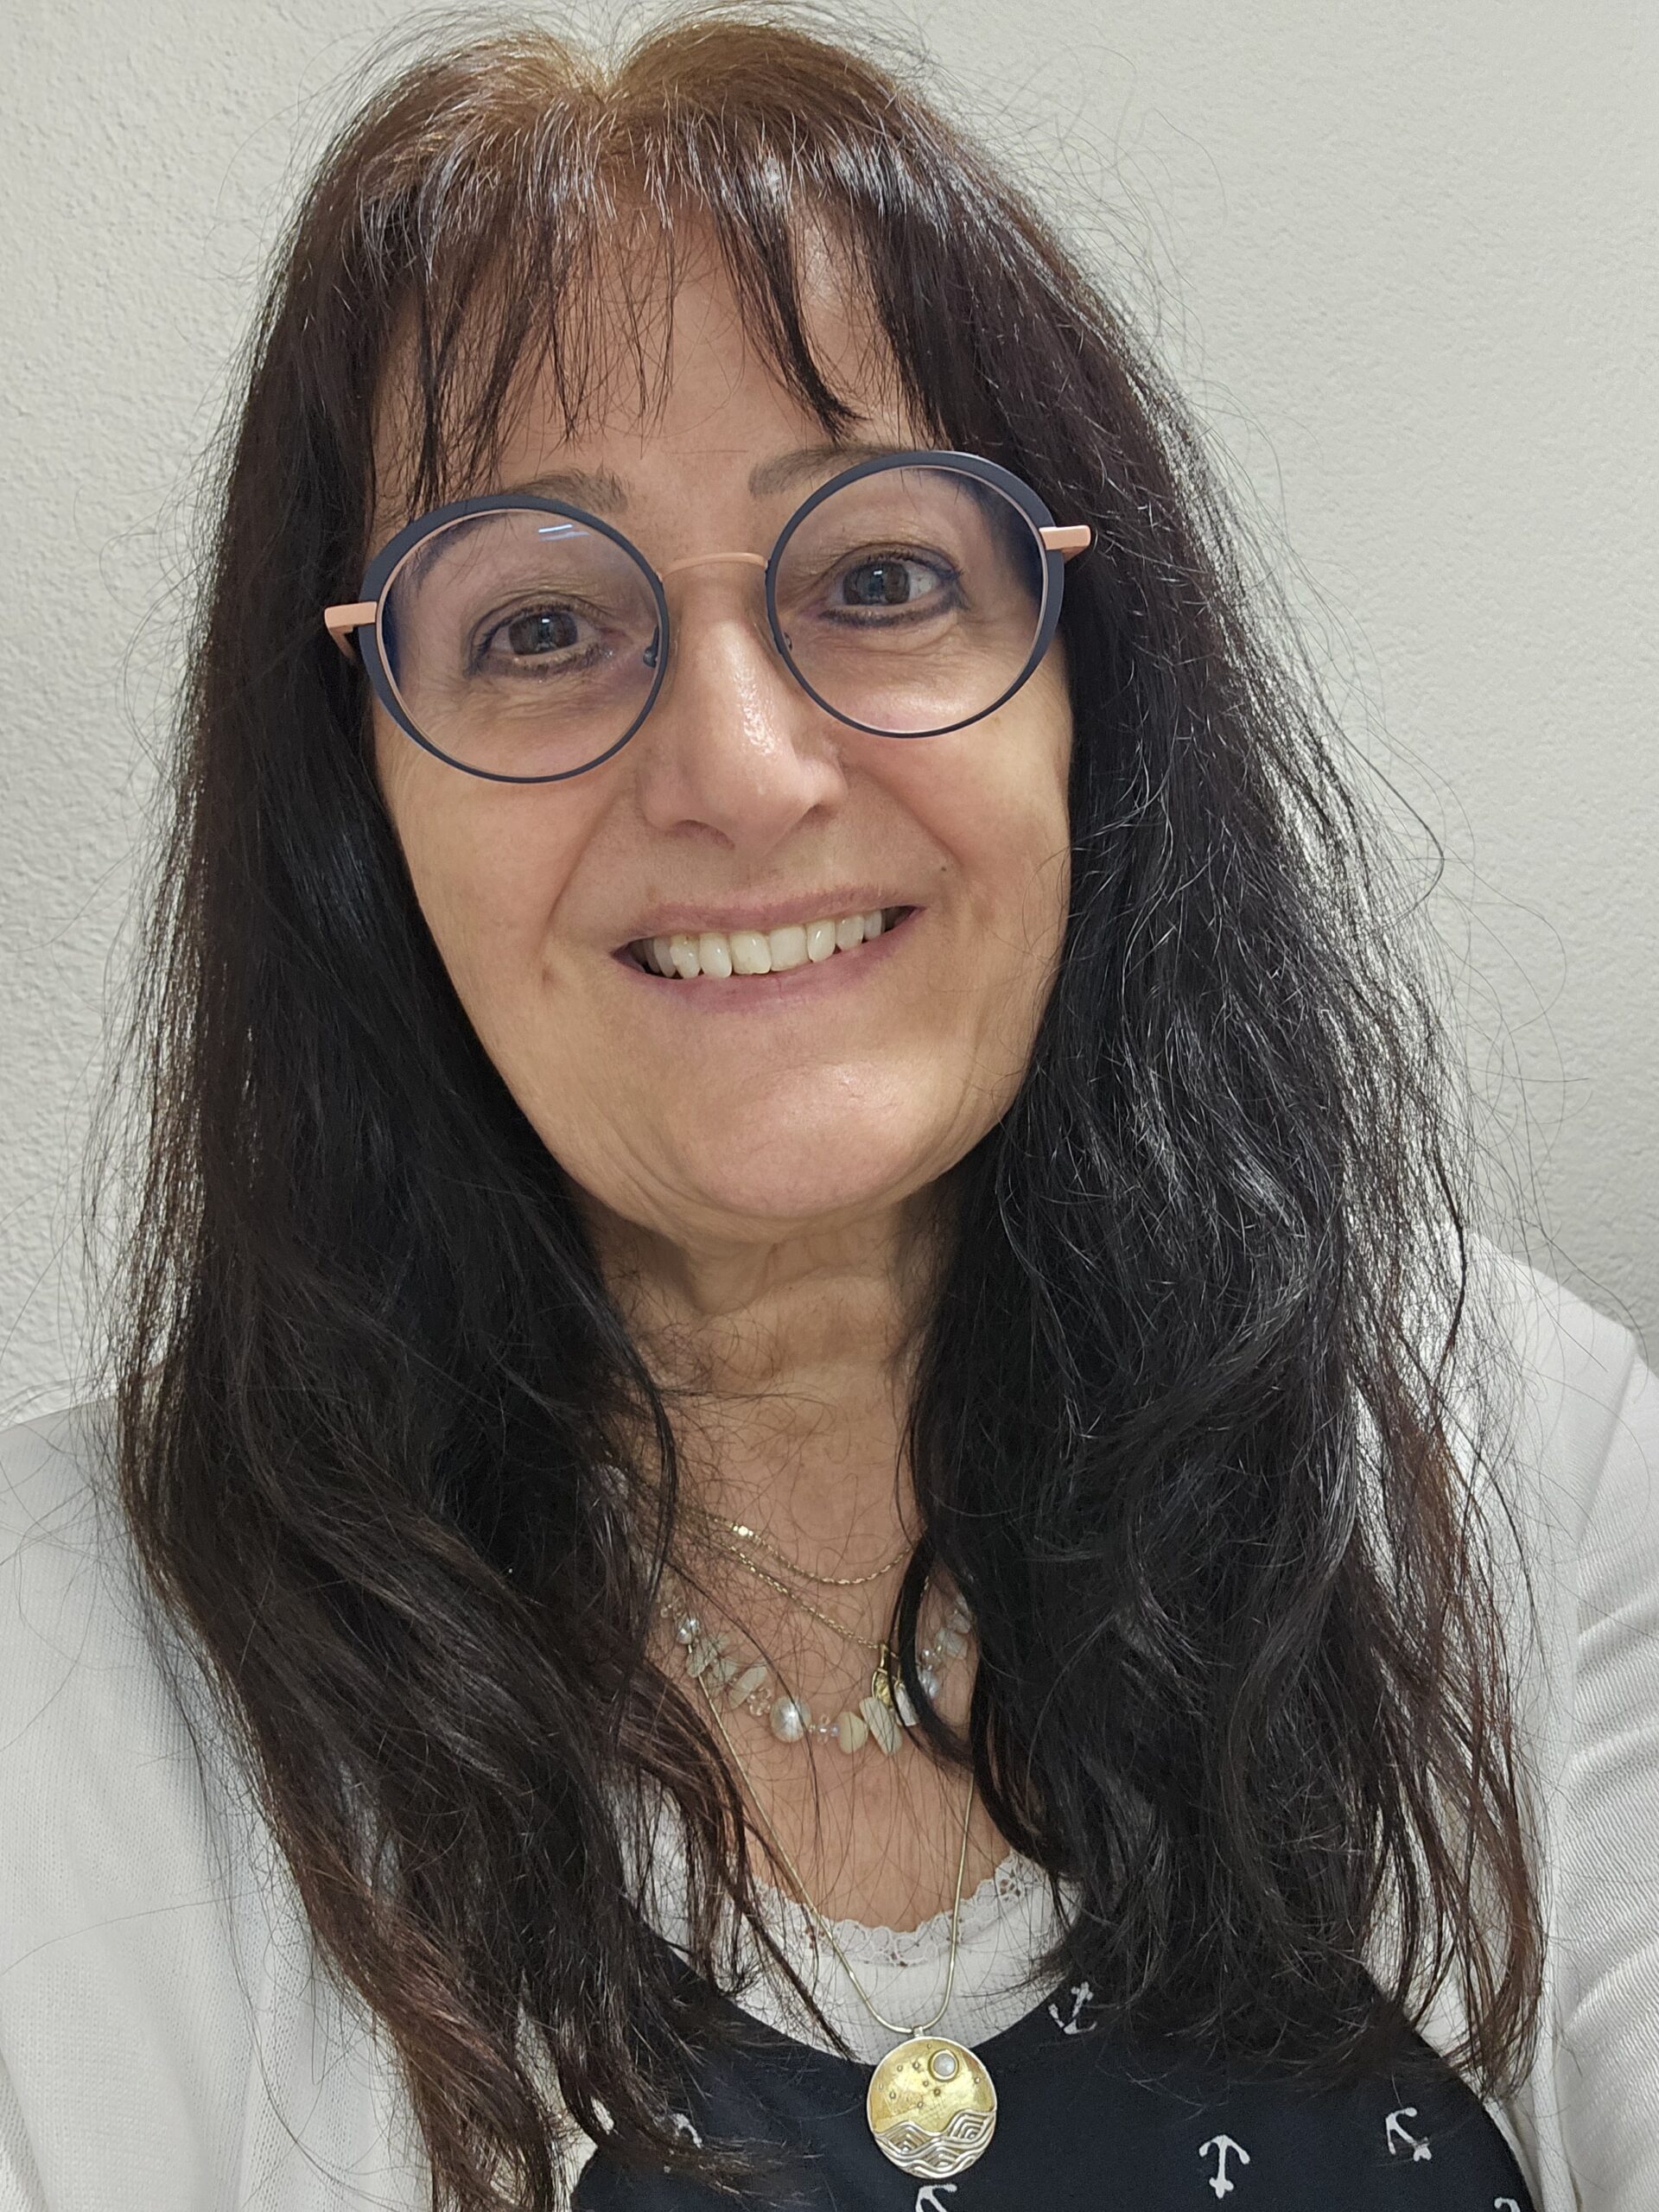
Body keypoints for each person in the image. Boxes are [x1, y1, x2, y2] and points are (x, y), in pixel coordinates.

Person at [2, 13, 1654, 2211]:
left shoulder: (1508, 1457)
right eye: (538, 625)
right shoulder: (61, 1680)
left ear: (1089, 694)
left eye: (880, 578)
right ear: (355, 801)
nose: (742, 769)